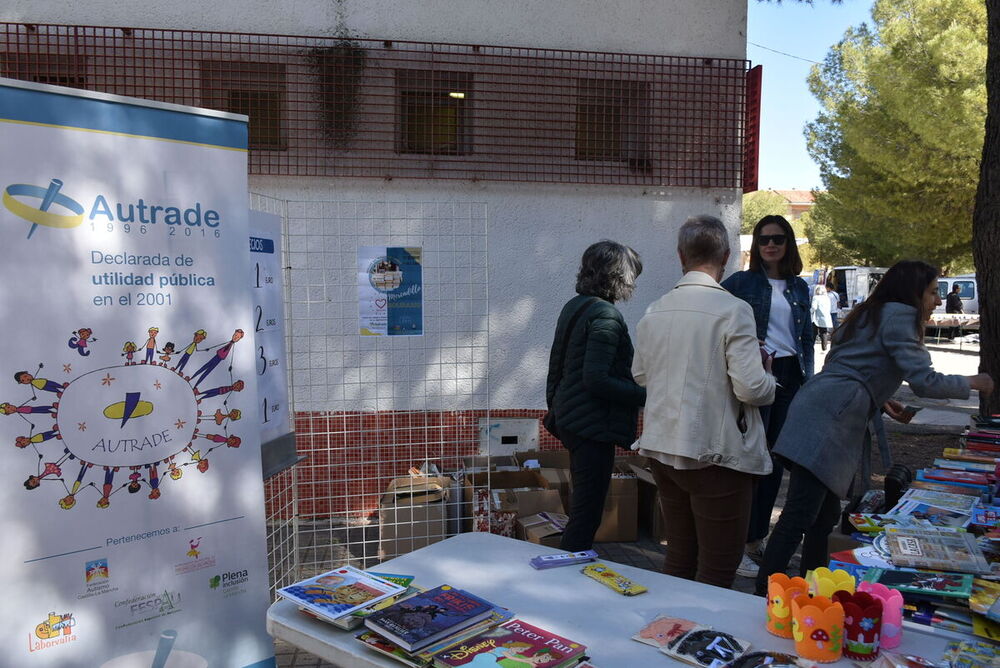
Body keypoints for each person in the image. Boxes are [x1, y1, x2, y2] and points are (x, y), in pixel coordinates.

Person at [754, 260, 994, 594]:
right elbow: (925, 381)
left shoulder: (872, 310)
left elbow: (854, 362)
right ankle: (764, 595)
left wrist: (880, 399)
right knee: (799, 516)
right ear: (914, 292)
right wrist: (974, 381)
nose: (937, 301)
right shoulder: (901, 315)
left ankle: (810, 592)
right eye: (933, 292)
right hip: (830, 418)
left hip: (821, 408)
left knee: (821, 521)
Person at [632, 215, 776, 588]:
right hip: (717, 454)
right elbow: (752, 390)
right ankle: (704, 642)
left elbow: (641, 376)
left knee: (679, 556)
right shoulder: (734, 310)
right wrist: (769, 375)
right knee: (717, 566)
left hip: (663, 447)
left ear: (681, 256)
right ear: (726, 256)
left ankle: (669, 633)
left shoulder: (655, 310)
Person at [721, 214, 813, 578]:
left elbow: (805, 339)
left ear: (788, 243)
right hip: (758, 375)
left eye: (777, 238)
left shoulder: (800, 288)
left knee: (774, 462)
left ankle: (754, 540)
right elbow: (714, 316)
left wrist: (810, 381)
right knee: (750, 459)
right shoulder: (741, 283)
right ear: (756, 246)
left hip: (791, 376)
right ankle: (737, 544)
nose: (770, 244)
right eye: (763, 239)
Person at [545, 240, 646, 552]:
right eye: (633, 276)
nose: (634, 283)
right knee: (587, 512)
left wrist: (556, 407)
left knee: (583, 504)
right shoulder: (605, 316)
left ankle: (572, 562)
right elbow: (596, 379)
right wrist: (644, 394)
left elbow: (558, 366)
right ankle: (569, 572)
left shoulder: (576, 305)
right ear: (618, 276)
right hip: (591, 425)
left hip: (571, 418)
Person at [811, 284, 833, 351]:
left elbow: (814, 307)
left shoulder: (816, 297)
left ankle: (811, 346)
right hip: (825, 318)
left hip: (817, 318)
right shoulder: (827, 298)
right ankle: (824, 348)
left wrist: (810, 312)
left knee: (813, 333)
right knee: (824, 333)